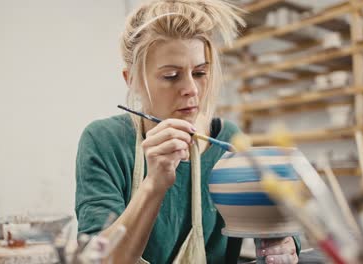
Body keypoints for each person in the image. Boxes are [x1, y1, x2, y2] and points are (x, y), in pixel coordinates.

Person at [75, 0, 300, 263]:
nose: (191, 89)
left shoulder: (228, 138)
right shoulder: (104, 141)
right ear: (132, 80)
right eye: (171, 75)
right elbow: (98, 259)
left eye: (201, 72)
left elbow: (269, 219)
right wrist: (154, 185)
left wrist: (284, 242)